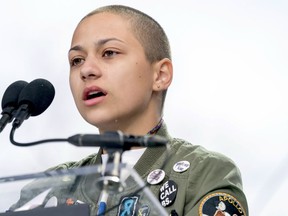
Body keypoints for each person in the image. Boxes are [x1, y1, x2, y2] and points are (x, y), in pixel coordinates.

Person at [10, 4, 249, 216]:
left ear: (160, 75)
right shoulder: (54, 185)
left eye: (109, 53)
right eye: (77, 60)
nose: (87, 70)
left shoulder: (203, 173)